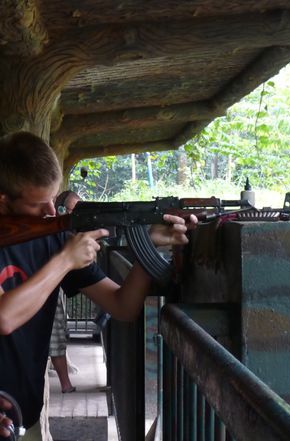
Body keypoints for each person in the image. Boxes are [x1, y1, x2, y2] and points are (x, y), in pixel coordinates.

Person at [0, 131, 197, 440]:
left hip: (23, 416)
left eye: (53, 199)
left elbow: (122, 306)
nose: (51, 211)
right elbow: (4, 317)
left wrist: (147, 247)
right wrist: (66, 259)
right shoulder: (59, 250)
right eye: (38, 204)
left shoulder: (52, 240)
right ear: (3, 201)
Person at [47, 191, 82, 394]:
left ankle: (65, 383)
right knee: (55, 334)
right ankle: (65, 383)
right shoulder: (52, 232)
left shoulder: (66, 234)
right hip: (47, 288)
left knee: (57, 334)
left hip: (54, 287)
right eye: (69, 210)